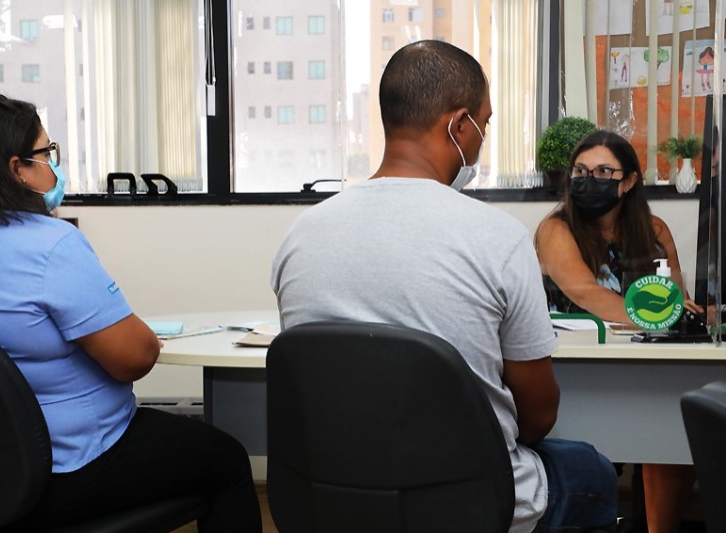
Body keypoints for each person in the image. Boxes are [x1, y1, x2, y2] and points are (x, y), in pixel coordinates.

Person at [271, 40, 617, 533]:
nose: (481, 139)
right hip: (470, 504)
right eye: (485, 123)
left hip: (335, 499)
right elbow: (538, 414)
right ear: (458, 126)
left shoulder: (300, 236)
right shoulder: (497, 237)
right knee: (592, 471)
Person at [0, 92, 262, 532]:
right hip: (64, 467)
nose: (52, 165)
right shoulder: (50, 245)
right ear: (16, 170)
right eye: (45, 153)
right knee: (229, 461)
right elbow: (134, 359)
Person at [535, 130, 701, 533]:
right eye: (580, 170)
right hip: (576, 369)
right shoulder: (556, 229)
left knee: (670, 428)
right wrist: (662, 315)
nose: (589, 180)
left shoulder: (654, 230)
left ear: (627, 182)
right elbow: (585, 293)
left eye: (604, 171)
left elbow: (676, 295)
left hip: (646, 363)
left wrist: (687, 312)